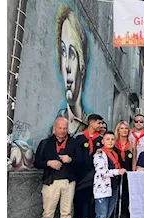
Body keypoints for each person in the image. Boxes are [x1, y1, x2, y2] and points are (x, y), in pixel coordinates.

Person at [34, 117, 81, 218]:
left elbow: (83, 161)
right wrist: (48, 163)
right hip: (50, 182)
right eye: (60, 128)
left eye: (65, 128)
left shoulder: (74, 143)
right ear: (54, 128)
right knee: (48, 213)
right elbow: (37, 163)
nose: (62, 131)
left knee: (66, 213)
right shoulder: (45, 143)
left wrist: (71, 159)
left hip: (68, 182)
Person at [91, 131, 127, 218]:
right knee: (101, 216)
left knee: (107, 216)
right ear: (103, 141)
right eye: (107, 139)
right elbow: (102, 172)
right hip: (103, 189)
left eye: (112, 139)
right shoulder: (100, 154)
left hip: (113, 188)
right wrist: (118, 171)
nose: (110, 141)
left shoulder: (114, 153)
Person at [55, 4, 90, 135]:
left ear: (82, 65)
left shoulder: (89, 125)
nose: (67, 66)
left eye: (72, 54)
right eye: (63, 52)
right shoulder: (57, 121)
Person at [71, 114, 104, 218]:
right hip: (80, 174)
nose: (100, 126)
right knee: (78, 200)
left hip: (95, 175)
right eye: (99, 123)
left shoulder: (101, 139)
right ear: (91, 123)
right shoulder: (78, 137)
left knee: (92, 201)